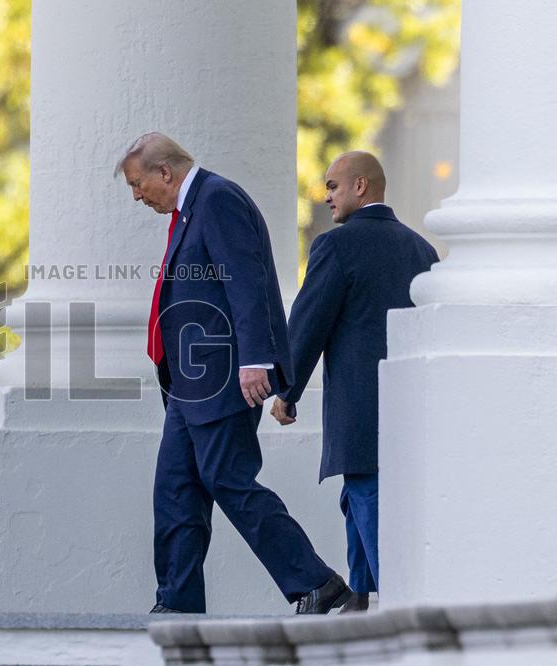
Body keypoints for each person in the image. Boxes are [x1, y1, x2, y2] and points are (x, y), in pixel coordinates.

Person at [116, 132, 349, 614]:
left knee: (230, 481)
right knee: (175, 489)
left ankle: (317, 582)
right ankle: (178, 604)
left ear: (166, 172)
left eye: (139, 184)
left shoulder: (217, 199)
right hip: (189, 386)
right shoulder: (191, 208)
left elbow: (245, 280)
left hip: (222, 379)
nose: (137, 196)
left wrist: (254, 361)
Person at [270, 151, 439, 612]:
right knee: (359, 492)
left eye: (332, 186)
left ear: (361, 186)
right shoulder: (422, 249)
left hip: (358, 398)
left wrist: (286, 391)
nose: (326, 197)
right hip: (410, 397)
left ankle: (392, 599)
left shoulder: (335, 246)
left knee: (365, 491)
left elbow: (309, 322)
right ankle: (360, 593)